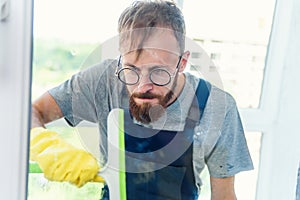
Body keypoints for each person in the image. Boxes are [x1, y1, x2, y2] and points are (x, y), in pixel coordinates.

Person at [31, 0, 253, 199]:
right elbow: (32, 112)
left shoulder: (216, 107)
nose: (142, 86)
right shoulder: (103, 82)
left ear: (182, 63)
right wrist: (46, 146)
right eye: (131, 70)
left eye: (158, 72)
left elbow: (224, 196)